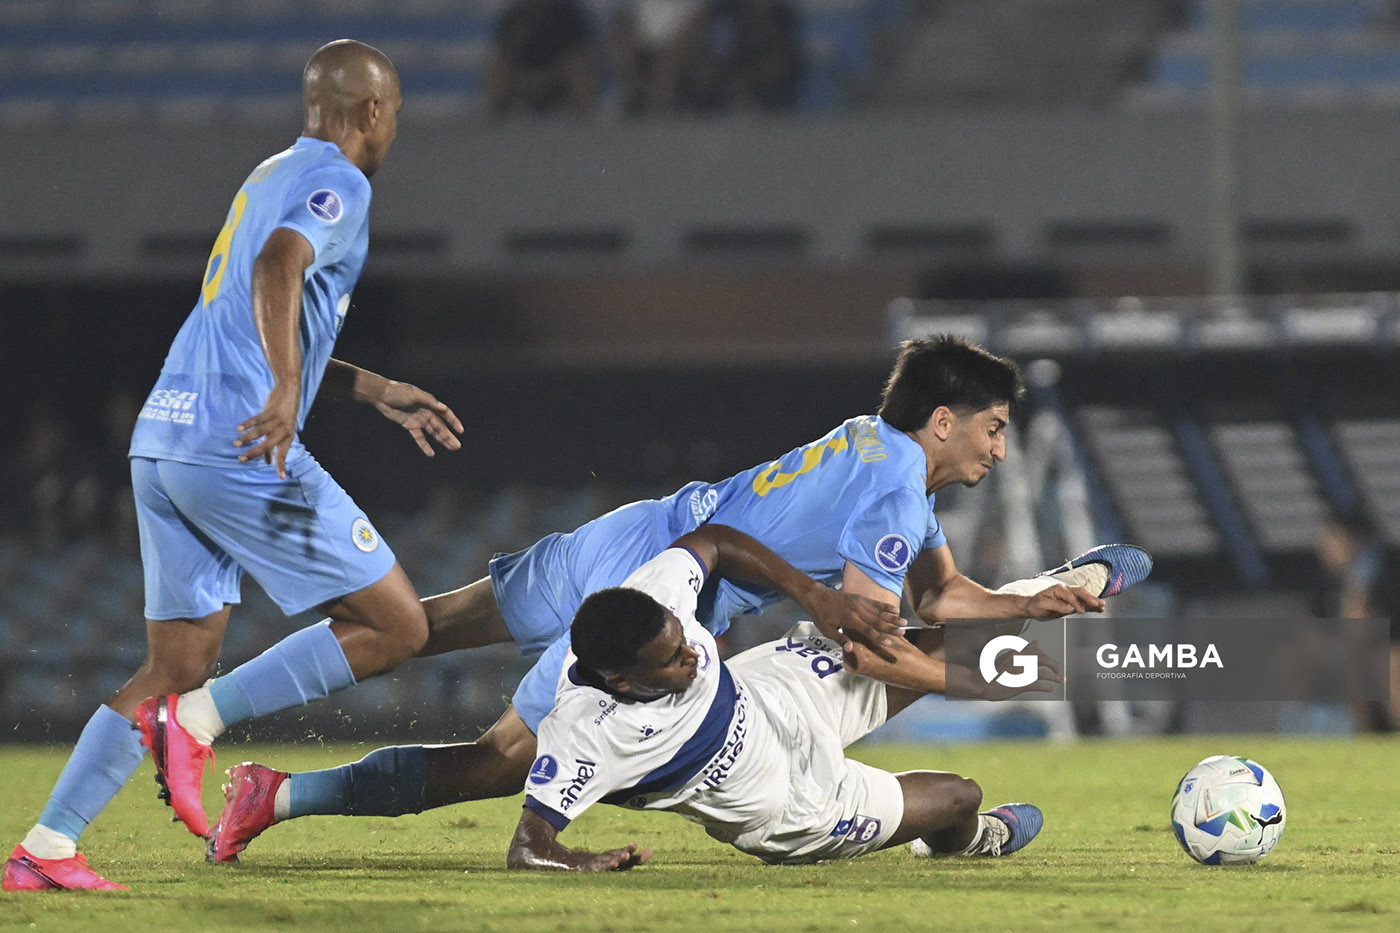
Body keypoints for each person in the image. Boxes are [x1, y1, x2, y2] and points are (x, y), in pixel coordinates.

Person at [203, 336, 1150, 862]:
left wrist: (1031, 604)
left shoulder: (874, 442)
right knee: (497, 762)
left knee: (415, 625)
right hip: (660, 594)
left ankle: (210, 706)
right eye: (993, 428)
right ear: (944, 420)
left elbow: (941, 595)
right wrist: (993, 672)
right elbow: (873, 645)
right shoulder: (895, 496)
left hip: (640, 531)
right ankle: (279, 795)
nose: (999, 449)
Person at [2, 40, 464, 893]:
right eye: (395, 111)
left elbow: (255, 310)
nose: (393, 126)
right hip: (237, 444)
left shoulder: (268, 171)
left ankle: (46, 846)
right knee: (399, 625)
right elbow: (277, 265)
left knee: (173, 665)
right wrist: (287, 389)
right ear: (372, 111)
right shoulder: (342, 182)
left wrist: (371, 389)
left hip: (165, 437)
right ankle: (199, 724)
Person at [508, 544, 1061, 871]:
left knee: (963, 642)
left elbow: (713, 541)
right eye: (673, 660)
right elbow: (529, 847)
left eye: (684, 639)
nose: (694, 655)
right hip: (792, 805)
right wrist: (580, 860)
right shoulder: (585, 731)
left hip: (777, 692)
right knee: (961, 796)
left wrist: (813, 594)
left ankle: (1047, 595)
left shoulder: (652, 601)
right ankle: (972, 841)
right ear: (622, 682)